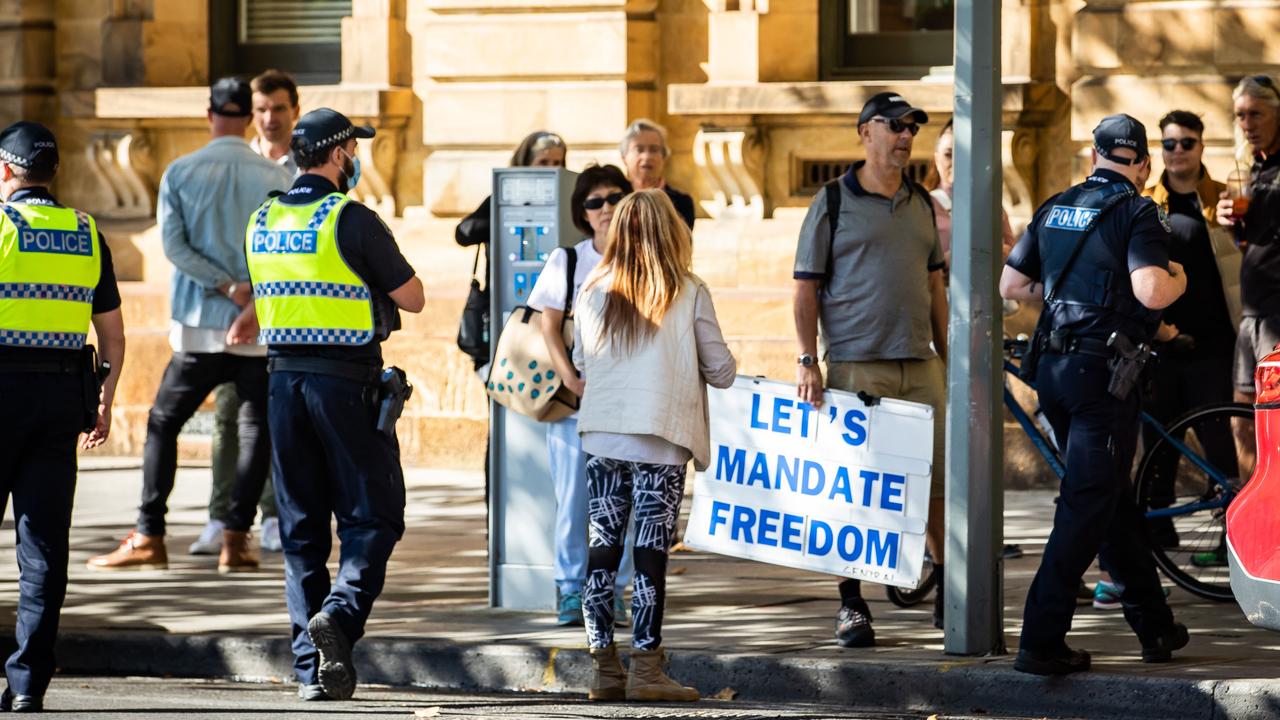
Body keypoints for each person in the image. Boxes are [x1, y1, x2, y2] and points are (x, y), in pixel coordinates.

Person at [243, 107, 425, 702]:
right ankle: (340, 617)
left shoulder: (262, 219)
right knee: (374, 514)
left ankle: (311, 672)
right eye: (354, 149)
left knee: (300, 530)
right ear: (341, 152)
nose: (357, 159)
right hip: (345, 385)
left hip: (280, 384)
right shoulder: (350, 218)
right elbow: (413, 296)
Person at [1000, 114, 1190, 674]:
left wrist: (1069, 288)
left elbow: (1012, 285)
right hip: (1101, 378)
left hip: (1053, 374)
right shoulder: (1139, 210)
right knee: (1087, 502)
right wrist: (1181, 277)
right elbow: (1152, 290)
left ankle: (1155, 627)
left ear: (1094, 156)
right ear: (1145, 165)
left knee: (1108, 498)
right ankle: (1041, 639)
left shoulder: (1057, 204)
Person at [87, 78, 292, 574]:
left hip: (199, 327)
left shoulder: (180, 171)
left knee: (162, 424)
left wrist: (225, 286)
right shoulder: (274, 177)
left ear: (209, 114)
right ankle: (235, 541)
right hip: (256, 331)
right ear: (248, 117)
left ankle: (150, 533)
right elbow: (285, 257)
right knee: (254, 432)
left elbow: (174, 248)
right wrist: (252, 299)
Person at [792, 92, 949, 648]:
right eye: (897, 126)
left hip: (920, 364)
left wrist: (949, 358)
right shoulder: (832, 201)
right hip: (858, 365)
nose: (907, 136)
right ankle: (852, 603)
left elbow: (935, 285)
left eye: (913, 128)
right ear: (866, 132)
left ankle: (949, 589)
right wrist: (808, 359)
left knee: (935, 480)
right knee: (855, 487)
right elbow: (805, 287)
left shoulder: (922, 203)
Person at [573, 189, 735, 702]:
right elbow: (722, 370)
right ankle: (647, 668)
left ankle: (604, 669)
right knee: (649, 555)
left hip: (602, 436)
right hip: (661, 442)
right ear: (673, 232)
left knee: (602, 552)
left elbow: (581, 359)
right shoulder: (688, 289)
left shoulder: (593, 285)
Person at [0, 121, 125, 713]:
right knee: (44, 545)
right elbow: (113, 335)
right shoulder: (85, 232)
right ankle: (28, 683)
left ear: (5, 171)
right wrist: (105, 395)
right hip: (59, 401)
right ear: (54, 174)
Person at [192, 68, 302, 558]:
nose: (269, 118)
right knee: (227, 417)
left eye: (279, 108)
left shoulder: (307, 165)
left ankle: (272, 515)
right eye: (261, 110)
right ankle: (221, 517)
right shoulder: (235, 163)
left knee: (273, 421)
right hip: (231, 311)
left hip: (283, 314)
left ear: (295, 111)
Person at [527, 165, 636, 626]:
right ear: (583, 212)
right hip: (576, 403)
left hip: (631, 401)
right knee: (574, 498)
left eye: (614, 198)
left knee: (626, 502)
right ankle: (572, 589)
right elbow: (547, 325)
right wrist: (569, 376)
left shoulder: (641, 258)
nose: (606, 208)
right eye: (595, 201)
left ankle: (615, 590)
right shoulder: (567, 260)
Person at [455, 130, 567, 375]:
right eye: (543, 162)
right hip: (503, 311)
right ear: (525, 163)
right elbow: (463, 233)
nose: (551, 168)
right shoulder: (500, 199)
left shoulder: (569, 198)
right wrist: (505, 218)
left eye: (557, 163)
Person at [1217, 75, 1280, 467]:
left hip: (1279, 314)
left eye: (1255, 114)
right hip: (1251, 312)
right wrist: (1227, 221)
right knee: (1242, 419)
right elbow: (1245, 240)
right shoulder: (1246, 168)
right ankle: (1249, 506)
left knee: (1275, 420)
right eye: (1240, 116)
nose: (1247, 124)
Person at [923, 117, 1016, 277]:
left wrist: (996, 252)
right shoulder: (923, 205)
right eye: (948, 154)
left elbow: (1014, 254)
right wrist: (947, 261)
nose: (956, 162)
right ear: (937, 159)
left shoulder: (991, 204)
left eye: (963, 154)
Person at [619, 119, 695, 229]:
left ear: (664, 157)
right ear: (624, 157)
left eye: (654, 150)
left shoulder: (682, 202)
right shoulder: (614, 200)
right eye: (639, 150)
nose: (647, 157)